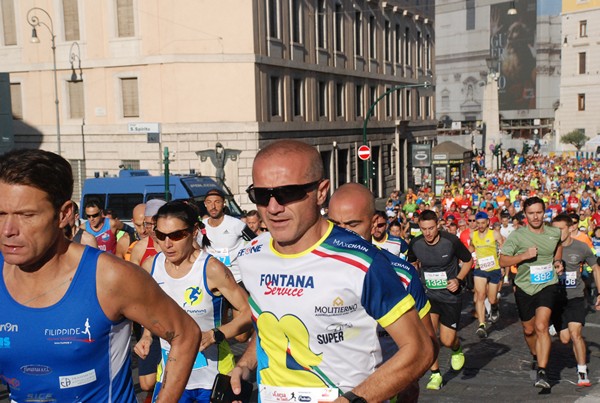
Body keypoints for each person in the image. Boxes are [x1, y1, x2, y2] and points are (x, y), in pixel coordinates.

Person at [231, 140, 434, 402]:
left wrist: (352, 400)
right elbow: (270, 323)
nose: (273, 208)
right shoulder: (252, 254)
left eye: (288, 193)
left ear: (321, 191)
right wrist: (246, 365)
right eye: (261, 195)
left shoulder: (362, 261)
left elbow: (419, 349)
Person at [0, 149, 201, 402]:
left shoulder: (109, 277)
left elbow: (185, 334)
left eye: (26, 215)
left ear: (64, 214)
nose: (8, 230)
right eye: (0, 214)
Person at [328, 183, 438, 403]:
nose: (342, 233)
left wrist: (408, 380)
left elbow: (428, 343)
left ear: (373, 225)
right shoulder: (312, 267)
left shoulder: (401, 273)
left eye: (352, 225)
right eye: (334, 225)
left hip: (383, 386)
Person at [135, 200, 252, 402]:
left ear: (194, 231)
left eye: (176, 235)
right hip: (171, 378)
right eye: (161, 236)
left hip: (213, 378)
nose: (167, 243)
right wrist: (146, 336)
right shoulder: (151, 267)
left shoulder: (211, 269)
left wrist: (215, 335)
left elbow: (249, 312)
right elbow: (149, 311)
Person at [499, 196, 563, 389]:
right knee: (529, 330)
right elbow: (503, 261)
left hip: (547, 283)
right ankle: (536, 355)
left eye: (539, 212)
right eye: (531, 213)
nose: (535, 217)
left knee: (542, 326)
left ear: (545, 213)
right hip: (525, 286)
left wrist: (558, 262)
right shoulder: (518, 236)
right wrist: (523, 256)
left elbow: (557, 247)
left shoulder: (554, 232)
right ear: (525, 215)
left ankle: (543, 371)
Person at [407, 209, 473, 391]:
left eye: (431, 228)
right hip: (428, 296)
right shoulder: (416, 243)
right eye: (423, 229)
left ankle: (456, 348)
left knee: (446, 339)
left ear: (438, 225)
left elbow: (468, 261)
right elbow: (412, 263)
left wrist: (458, 279)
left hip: (450, 296)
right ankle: (435, 374)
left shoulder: (450, 241)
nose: (427, 233)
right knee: (429, 337)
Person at [551, 214, 600, 387]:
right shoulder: (548, 248)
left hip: (576, 298)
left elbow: (595, 267)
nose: (557, 232)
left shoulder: (581, 247)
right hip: (555, 299)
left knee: (575, 334)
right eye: (554, 229)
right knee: (564, 339)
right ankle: (552, 325)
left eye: (561, 229)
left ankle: (582, 371)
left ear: (571, 228)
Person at [469, 211, 504, 338]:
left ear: (488, 222)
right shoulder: (473, 235)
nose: (480, 225)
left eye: (483, 223)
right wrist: (464, 254)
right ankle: (482, 325)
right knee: (480, 295)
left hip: (494, 269)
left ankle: (494, 307)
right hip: (480, 269)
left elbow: (504, 248)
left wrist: (503, 265)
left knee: (492, 298)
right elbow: (471, 248)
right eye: (478, 223)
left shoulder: (494, 234)